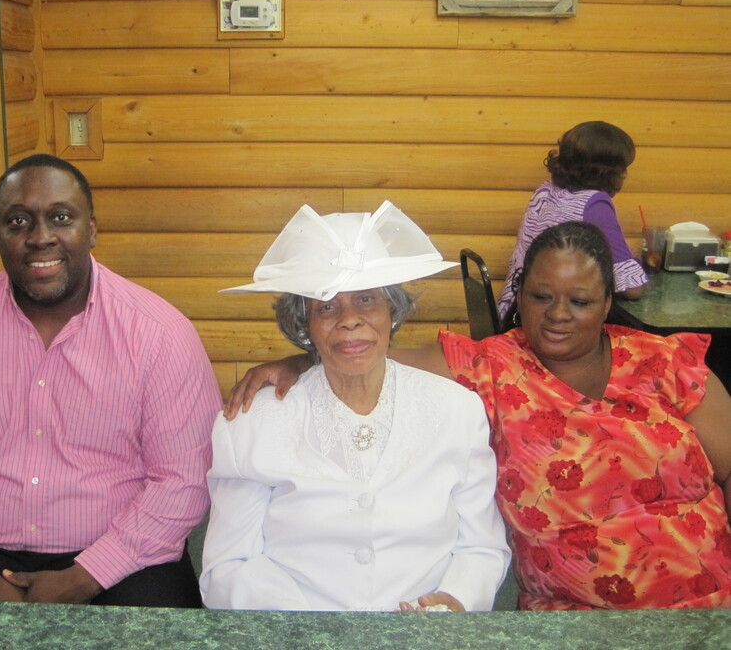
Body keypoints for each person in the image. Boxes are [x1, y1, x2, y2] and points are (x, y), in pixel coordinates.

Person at [227, 221, 731, 610]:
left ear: (606, 303)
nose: (557, 314)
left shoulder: (665, 362)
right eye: (540, 297)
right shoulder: (492, 366)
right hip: (571, 615)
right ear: (517, 295)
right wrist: (304, 356)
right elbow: (366, 345)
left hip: (708, 604)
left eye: (579, 301)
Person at [0, 154, 222, 606]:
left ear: (91, 230)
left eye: (60, 217)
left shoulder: (159, 335)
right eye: (18, 221)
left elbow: (182, 480)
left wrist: (87, 577)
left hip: (123, 557)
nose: (41, 238)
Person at [200, 201, 511, 612]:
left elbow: (482, 548)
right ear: (304, 325)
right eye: (326, 306)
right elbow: (227, 568)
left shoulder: (457, 411)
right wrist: (317, 633)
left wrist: (455, 601)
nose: (349, 320)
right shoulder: (251, 424)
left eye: (367, 300)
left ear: (392, 312)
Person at [497, 120, 648, 324]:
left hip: (515, 312)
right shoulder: (594, 206)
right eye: (623, 169)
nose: (624, 176)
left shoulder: (545, 190)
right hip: (554, 324)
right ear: (608, 171)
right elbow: (633, 289)